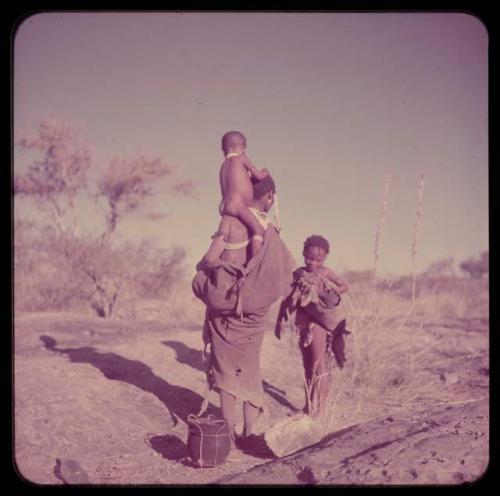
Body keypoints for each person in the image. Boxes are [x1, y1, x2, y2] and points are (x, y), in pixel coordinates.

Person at [193, 175, 296, 449]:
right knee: (250, 370)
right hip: (253, 316)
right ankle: (250, 433)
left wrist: (206, 266)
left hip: (224, 311)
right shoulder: (270, 231)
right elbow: (282, 274)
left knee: (225, 371)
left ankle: (227, 434)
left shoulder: (229, 223)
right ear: (269, 196)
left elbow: (209, 260)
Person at [275, 235, 350, 417]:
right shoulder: (298, 274)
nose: (313, 262)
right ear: (303, 254)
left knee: (319, 365)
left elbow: (344, 285)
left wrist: (331, 291)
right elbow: (287, 298)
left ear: (324, 258)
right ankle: (309, 406)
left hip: (318, 324)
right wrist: (280, 320)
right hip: (303, 324)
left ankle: (321, 410)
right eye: (309, 258)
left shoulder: (325, 273)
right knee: (308, 365)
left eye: (318, 259)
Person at [218, 131, 270, 258]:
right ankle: (255, 264)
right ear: (241, 147)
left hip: (224, 206)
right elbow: (258, 175)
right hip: (238, 205)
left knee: (223, 234)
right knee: (257, 230)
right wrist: (265, 172)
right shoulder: (242, 158)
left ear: (224, 148)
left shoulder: (223, 166)